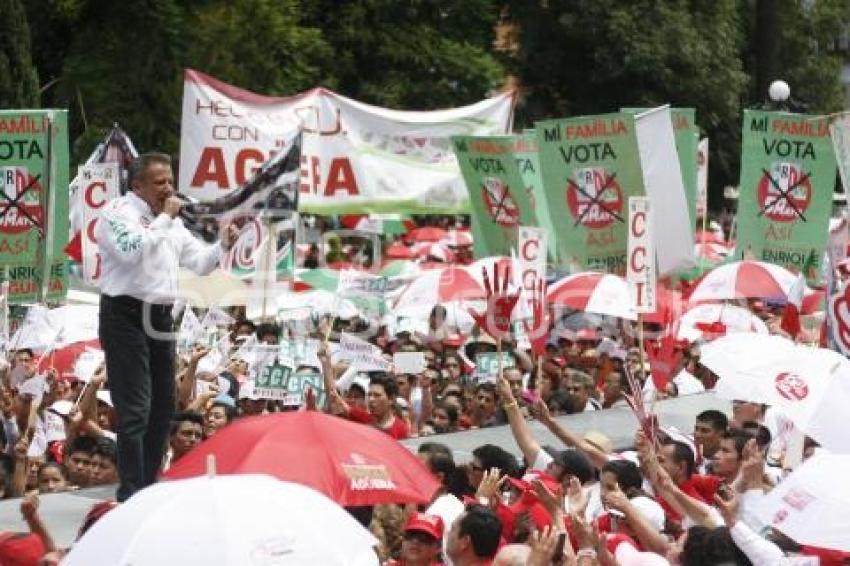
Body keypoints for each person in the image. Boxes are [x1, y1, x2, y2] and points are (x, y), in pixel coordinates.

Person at [96, 152, 238, 501]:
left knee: (163, 406)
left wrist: (223, 244)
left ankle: (149, 482)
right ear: (138, 184)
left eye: (171, 181)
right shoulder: (116, 213)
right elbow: (131, 251)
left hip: (160, 317)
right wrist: (163, 221)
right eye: (160, 183)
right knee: (136, 409)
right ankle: (131, 491)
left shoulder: (171, 223)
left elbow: (201, 263)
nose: (169, 189)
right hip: (125, 315)